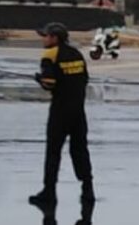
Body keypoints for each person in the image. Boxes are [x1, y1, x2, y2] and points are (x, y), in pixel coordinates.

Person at [29, 22, 93, 207]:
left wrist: (39, 79)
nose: (44, 39)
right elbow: (84, 79)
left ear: (55, 38)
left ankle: (49, 193)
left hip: (60, 111)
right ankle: (87, 189)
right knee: (79, 150)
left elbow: (49, 83)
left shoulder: (50, 54)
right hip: (78, 111)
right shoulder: (77, 54)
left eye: (46, 36)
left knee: (53, 152)